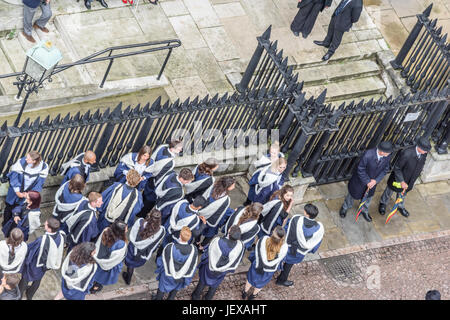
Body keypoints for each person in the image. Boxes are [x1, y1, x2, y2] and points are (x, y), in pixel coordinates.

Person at [339, 141, 393, 222]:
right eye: (387, 153)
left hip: (373, 182)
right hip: (360, 181)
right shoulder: (368, 155)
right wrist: (368, 181)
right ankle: (345, 207)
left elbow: (385, 170)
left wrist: (375, 181)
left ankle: (364, 210)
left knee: (369, 196)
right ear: (381, 152)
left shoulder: (387, 156)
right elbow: (360, 169)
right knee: (352, 194)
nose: (388, 154)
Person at [379, 136, 431, 218]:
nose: (426, 152)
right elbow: (397, 168)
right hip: (398, 179)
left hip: (410, 179)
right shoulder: (407, 153)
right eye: (425, 150)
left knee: (402, 194)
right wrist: (402, 181)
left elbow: (421, 163)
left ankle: (400, 206)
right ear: (419, 147)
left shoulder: (423, 154)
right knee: (389, 191)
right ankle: (383, 203)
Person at [191, 225, 245, 300]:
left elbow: (208, 252)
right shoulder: (240, 246)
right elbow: (237, 260)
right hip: (222, 270)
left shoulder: (218, 241)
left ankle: (195, 296)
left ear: (229, 233)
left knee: (202, 281)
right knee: (215, 284)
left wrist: (203, 258)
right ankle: (208, 297)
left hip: (209, 266)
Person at [276, 203, 324, 287]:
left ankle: (270, 271)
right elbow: (317, 241)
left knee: (277, 257)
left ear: (306, 214)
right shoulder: (319, 228)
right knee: (288, 265)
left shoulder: (296, 219)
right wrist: (311, 250)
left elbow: (286, 229)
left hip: (288, 246)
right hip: (299, 252)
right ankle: (281, 280)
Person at [18, 217, 66, 300]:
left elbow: (31, 250)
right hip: (46, 264)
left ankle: (19, 294)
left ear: (49, 229)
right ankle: (30, 295)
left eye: (46, 224)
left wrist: (26, 260)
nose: (44, 224)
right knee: (37, 279)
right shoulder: (60, 236)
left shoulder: (42, 240)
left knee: (25, 278)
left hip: (35, 263)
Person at [3, 151, 48, 229]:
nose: (25, 159)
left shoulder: (43, 167)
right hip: (14, 191)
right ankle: (5, 224)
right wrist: (18, 192)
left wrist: (29, 194)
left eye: (29, 159)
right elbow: (14, 178)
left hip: (27, 194)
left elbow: (39, 183)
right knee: (9, 207)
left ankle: (14, 226)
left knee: (19, 208)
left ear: (34, 161)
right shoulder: (21, 163)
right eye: (27, 157)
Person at [242, 226, 288, 300]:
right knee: (260, 284)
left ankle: (245, 292)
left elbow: (257, 250)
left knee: (250, 279)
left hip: (257, 265)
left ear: (273, 233)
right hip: (269, 270)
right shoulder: (284, 247)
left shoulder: (264, 239)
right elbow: (281, 259)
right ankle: (253, 295)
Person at [122, 209, 165, 285]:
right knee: (133, 265)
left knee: (130, 265)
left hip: (133, 249)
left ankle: (128, 278)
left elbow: (132, 236)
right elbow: (155, 244)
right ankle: (128, 279)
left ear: (149, 215)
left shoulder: (140, 222)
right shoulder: (161, 231)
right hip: (144, 253)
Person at [153, 226, 198, 300]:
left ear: (180, 236)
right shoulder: (194, 250)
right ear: (189, 238)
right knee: (176, 288)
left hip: (167, 274)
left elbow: (160, 261)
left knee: (161, 288)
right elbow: (192, 266)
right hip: (181, 276)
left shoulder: (170, 247)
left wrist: (160, 268)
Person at [141, 139, 183, 216]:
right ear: (172, 148)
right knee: (150, 200)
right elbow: (162, 175)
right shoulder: (170, 162)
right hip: (155, 180)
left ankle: (140, 209)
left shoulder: (162, 147)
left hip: (149, 175)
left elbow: (152, 158)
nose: (181, 150)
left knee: (145, 194)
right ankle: (142, 214)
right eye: (179, 148)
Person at [196, 177, 236, 250]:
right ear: (228, 186)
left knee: (200, 228)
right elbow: (224, 211)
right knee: (210, 234)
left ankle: (197, 241)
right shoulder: (226, 200)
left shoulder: (213, 187)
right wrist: (234, 212)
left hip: (203, 214)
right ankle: (202, 246)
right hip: (213, 219)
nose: (234, 186)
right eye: (233, 185)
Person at [90, 220, 128, 294]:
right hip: (107, 264)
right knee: (102, 277)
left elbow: (98, 243)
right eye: (125, 229)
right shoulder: (120, 244)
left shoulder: (106, 230)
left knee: (95, 273)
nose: (127, 230)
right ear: (120, 232)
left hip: (99, 258)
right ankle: (95, 288)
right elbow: (115, 259)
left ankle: (92, 283)